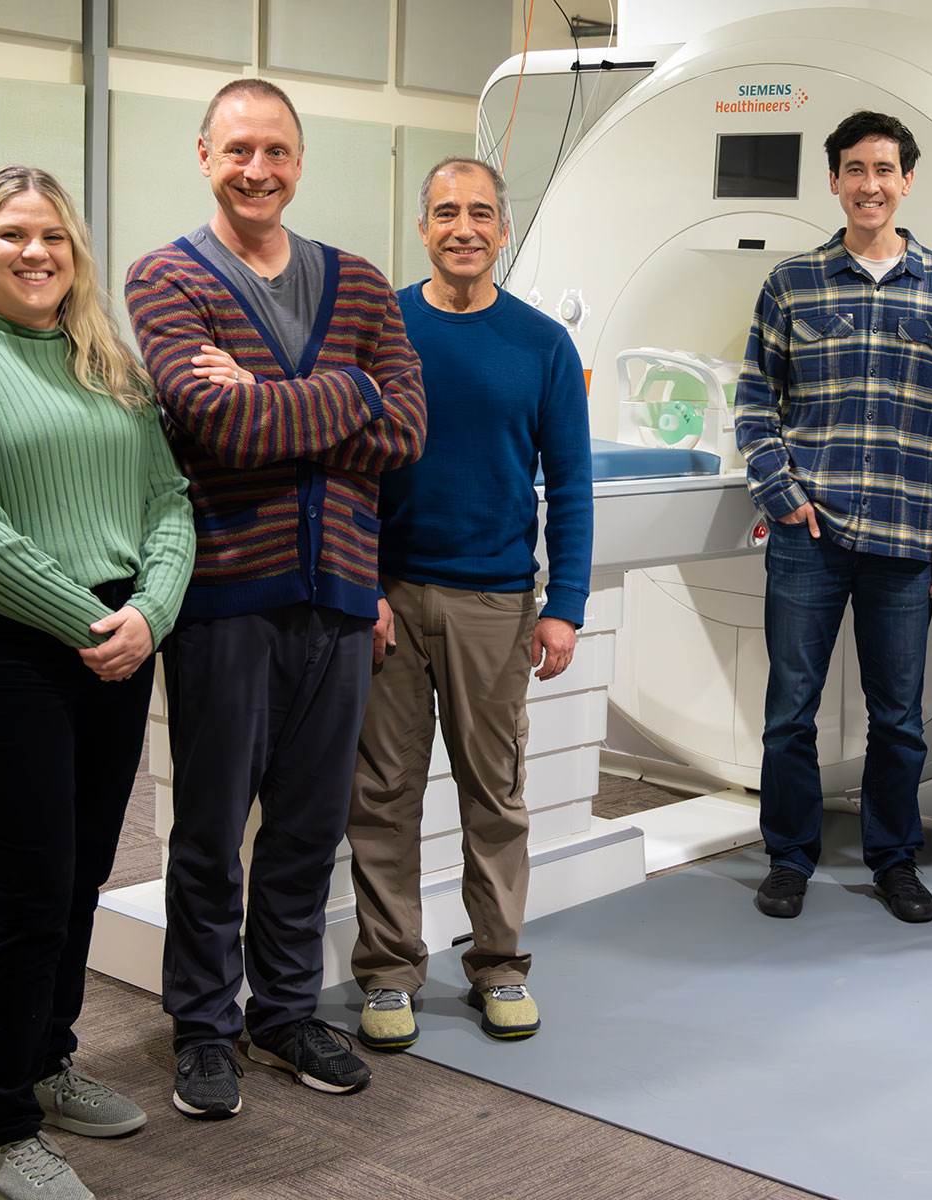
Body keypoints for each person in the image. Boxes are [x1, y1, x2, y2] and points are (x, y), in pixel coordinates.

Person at [0, 165, 195, 1200]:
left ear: (76, 251)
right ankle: (1, 1127)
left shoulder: (108, 362)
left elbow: (168, 501)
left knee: (80, 875)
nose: (35, 253)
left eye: (53, 236)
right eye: (12, 234)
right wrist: (91, 624)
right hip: (2, 650)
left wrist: (151, 611)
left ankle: (49, 1062)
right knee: (27, 886)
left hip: (114, 642)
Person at [123, 78, 426, 1118]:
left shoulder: (362, 285)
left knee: (307, 827)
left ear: (300, 161)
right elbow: (219, 424)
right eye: (240, 150)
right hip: (224, 598)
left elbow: (407, 433)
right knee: (211, 832)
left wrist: (274, 398)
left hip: (338, 598)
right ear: (205, 154)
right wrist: (352, 389)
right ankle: (204, 1028)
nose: (259, 170)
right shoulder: (166, 278)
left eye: (278, 152)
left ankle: (286, 1013)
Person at [345, 157, 592, 1052]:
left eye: (480, 213)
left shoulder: (541, 345)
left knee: (496, 795)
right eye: (446, 212)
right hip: (389, 600)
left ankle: (498, 964)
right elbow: (347, 471)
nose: (464, 229)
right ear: (422, 229)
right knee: (382, 794)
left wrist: (565, 603)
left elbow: (570, 484)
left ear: (502, 229)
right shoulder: (381, 330)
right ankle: (388, 972)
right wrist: (360, 587)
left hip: (496, 600)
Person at [735, 110, 932, 923]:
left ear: (906, 180)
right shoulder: (791, 284)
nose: (869, 185)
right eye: (854, 170)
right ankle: (789, 858)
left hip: (906, 537)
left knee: (899, 719)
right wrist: (782, 492)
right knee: (789, 713)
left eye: (884, 170)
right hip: (810, 535)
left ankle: (894, 860)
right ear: (835, 181)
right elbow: (755, 401)